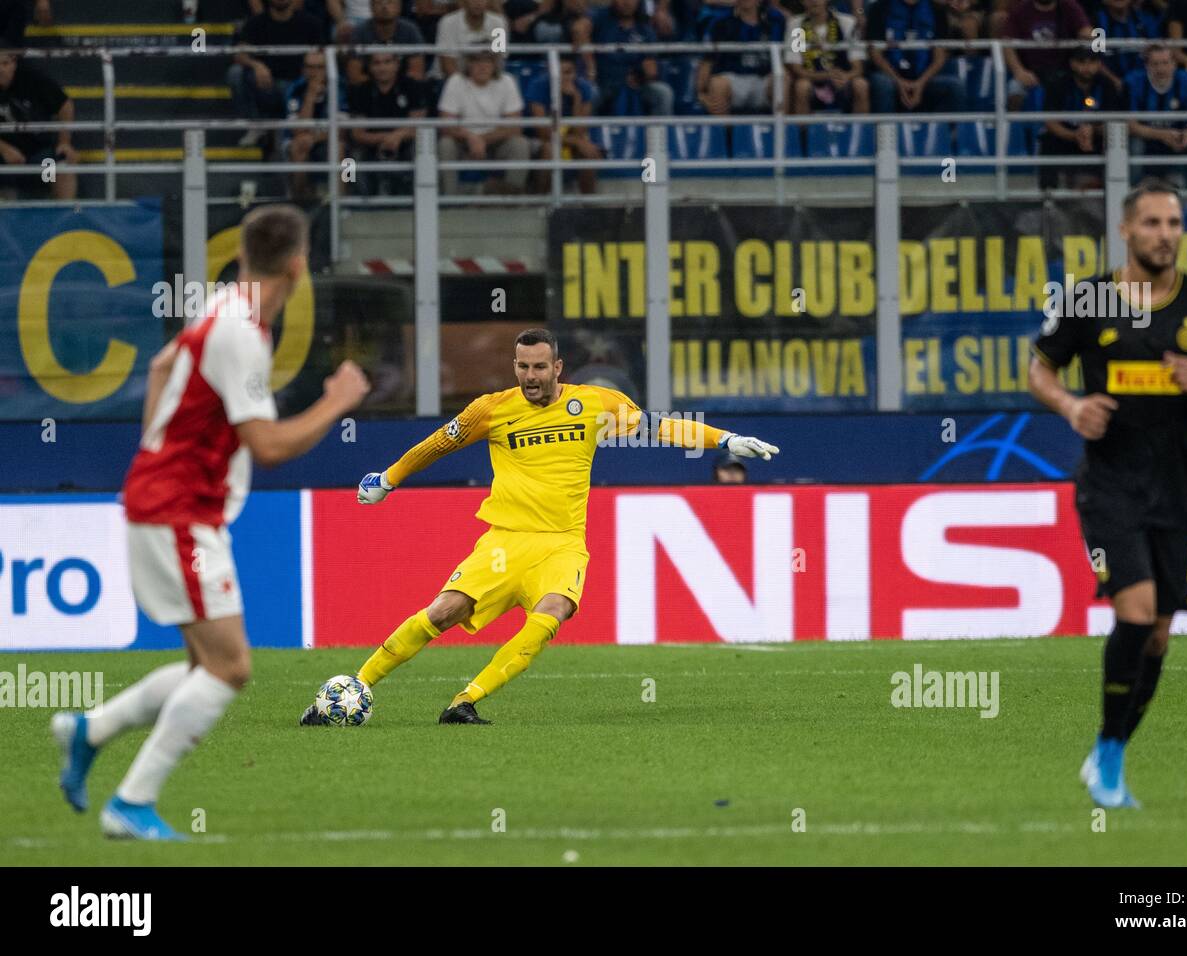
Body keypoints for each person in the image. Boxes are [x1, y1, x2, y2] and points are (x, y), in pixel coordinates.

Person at [52, 206, 372, 840]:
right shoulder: (241, 331)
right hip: (178, 513)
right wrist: (336, 402)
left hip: (170, 503)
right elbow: (268, 445)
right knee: (231, 668)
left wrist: (157, 450)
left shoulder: (221, 306)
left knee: (209, 666)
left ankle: (92, 730)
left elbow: (159, 368)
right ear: (299, 265)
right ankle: (131, 803)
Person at [301, 328, 780, 725]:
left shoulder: (595, 406)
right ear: (515, 368)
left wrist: (725, 439)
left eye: (538, 367)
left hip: (562, 545)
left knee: (553, 613)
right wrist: (388, 478)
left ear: (558, 368)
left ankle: (465, 701)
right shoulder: (491, 409)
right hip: (504, 542)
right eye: (522, 367)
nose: (530, 376)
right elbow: (435, 446)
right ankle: (358, 684)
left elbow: (661, 427)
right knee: (445, 612)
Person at [1028, 179, 1187, 809]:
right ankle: (1107, 757)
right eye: (1152, 222)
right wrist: (1072, 407)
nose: (1165, 233)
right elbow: (1039, 368)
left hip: (1179, 488)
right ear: (1125, 231)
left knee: (1158, 635)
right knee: (1133, 613)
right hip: (1108, 487)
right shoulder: (1089, 301)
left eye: (1174, 222)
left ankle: (1112, 752)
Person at [228, 0, 327, 148]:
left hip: (298, 87)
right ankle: (256, 126)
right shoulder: (256, 23)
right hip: (267, 85)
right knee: (235, 73)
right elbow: (239, 54)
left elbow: (323, 56)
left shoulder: (310, 23)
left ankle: (289, 132)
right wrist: (256, 65)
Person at [436, 49, 528, 194]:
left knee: (520, 144)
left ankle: (513, 199)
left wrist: (482, 140)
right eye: (477, 61)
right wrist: (470, 138)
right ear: (468, 64)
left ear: (495, 64)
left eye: (487, 61)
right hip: (462, 143)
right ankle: (450, 200)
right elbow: (446, 125)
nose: (482, 66)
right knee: (445, 144)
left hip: (496, 143)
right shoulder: (456, 81)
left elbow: (515, 127)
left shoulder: (507, 81)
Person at [0, 44, 77, 199]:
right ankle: (7, 216)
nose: (0, 70)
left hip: (40, 154)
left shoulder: (31, 79)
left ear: (14, 62)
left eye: (5, 64)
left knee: (60, 166)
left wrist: (64, 142)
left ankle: (65, 215)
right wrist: (4, 149)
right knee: (7, 184)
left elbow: (65, 105)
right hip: (4, 158)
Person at [1039, 47, 1120, 189]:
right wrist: (1074, 135)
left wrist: (1092, 130)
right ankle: (1048, 196)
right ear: (1072, 64)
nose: (1087, 67)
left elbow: (1114, 120)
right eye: (1082, 62)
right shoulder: (1058, 84)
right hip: (1066, 136)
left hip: (1096, 137)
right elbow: (1050, 121)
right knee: (1048, 143)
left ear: (1098, 64)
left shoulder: (1107, 85)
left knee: (1115, 142)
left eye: (1092, 62)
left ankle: (1112, 192)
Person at [348, 50, 428, 194]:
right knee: (348, 160)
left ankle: (422, 195)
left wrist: (397, 137)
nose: (382, 67)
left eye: (387, 62)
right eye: (376, 63)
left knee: (422, 149)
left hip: (405, 144)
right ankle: (352, 198)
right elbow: (357, 134)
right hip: (370, 146)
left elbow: (418, 125)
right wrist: (388, 138)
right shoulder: (360, 91)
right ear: (370, 67)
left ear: (397, 64)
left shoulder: (412, 87)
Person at [866, 0, 966, 115]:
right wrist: (899, 82)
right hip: (890, 76)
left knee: (955, 86)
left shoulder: (937, 10)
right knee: (882, 83)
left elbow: (939, 58)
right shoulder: (879, 8)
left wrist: (920, 83)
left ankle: (947, 132)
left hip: (924, 78)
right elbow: (875, 54)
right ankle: (884, 132)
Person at [1126, 44, 1187, 188]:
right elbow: (1130, 125)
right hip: (1147, 140)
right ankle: (1133, 192)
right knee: (1135, 145)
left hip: (1178, 139)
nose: (1161, 69)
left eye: (1165, 63)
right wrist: (1162, 135)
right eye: (1155, 64)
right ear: (1147, 65)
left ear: (1174, 64)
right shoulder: (1133, 82)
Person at [526, 54, 602, 194]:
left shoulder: (583, 87)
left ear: (575, 72)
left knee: (590, 152)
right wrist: (577, 142)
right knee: (549, 150)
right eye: (559, 72)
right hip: (541, 140)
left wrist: (576, 100)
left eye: (568, 72)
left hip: (570, 138)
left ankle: (589, 204)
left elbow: (580, 131)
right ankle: (540, 202)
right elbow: (542, 133)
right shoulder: (538, 85)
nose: (563, 77)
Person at [696, 0, 786, 116]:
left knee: (782, 78)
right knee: (718, 84)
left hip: (764, 80)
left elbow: (788, 56)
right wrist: (701, 93)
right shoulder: (720, 22)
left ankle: (782, 132)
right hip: (734, 80)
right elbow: (707, 60)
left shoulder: (776, 19)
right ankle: (722, 133)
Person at [589, 0, 675, 116]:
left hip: (637, 84)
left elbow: (651, 68)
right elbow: (581, 27)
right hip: (604, 82)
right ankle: (585, 133)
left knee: (663, 92)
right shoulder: (600, 21)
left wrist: (643, 75)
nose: (627, 3)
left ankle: (658, 133)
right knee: (590, 93)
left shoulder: (645, 31)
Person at [283, 49, 349, 200]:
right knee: (297, 147)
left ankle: (343, 201)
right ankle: (301, 201)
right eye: (309, 67)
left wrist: (314, 138)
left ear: (328, 68)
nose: (313, 72)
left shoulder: (340, 88)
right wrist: (311, 95)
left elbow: (342, 131)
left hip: (329, 140)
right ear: (303, 69)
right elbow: (298, 130)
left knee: (346, 157)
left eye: (319, 67)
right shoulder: (294, 89)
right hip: (299, 141)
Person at [1000, 0, 1092, 108]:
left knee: (1086, 86)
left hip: (1064, 71)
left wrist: (1086, 33)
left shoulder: (1069, 6)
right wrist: (1019, 71)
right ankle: (1013, 124)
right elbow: (1006, 43)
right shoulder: (1020, 9)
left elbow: (1086, 30)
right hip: (1030, 71)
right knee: (1014, 89)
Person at [786, 0, 869, 115]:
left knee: (861, 85)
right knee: (802, 86)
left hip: (842, 78)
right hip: (812, 79)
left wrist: (845, 76)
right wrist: (825, 76)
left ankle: (861, 131)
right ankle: (802, 132)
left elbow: (858, 66)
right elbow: (796, 67)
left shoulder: (847, 22)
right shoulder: (796, 25)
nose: (814, 2)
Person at [345, 0, 426, 85]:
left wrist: (391, 87)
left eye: (390, 2)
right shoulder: (360, 32)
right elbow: (354, 75)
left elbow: (417, 73)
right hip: (368, 91)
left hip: (403, 90)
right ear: (371, 7)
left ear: (399, 7)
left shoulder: (410, 31)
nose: (384, 7)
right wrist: (381, 87)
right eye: (379, 2)